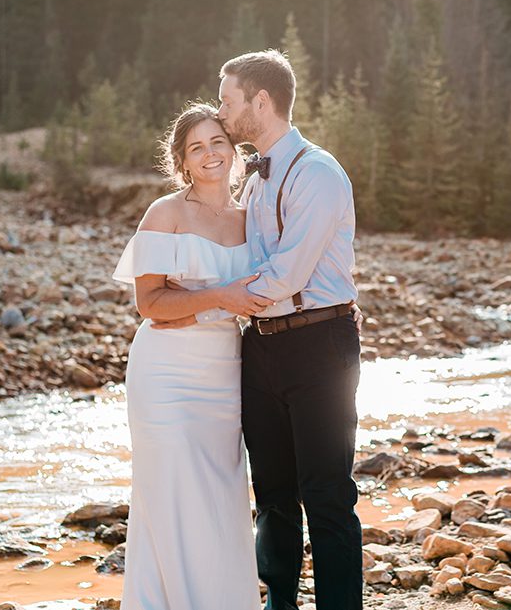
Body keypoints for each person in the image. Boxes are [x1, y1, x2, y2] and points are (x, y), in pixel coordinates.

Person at [149, 50, 363, 610]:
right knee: (271, 494)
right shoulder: (256, 183)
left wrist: (210, 298)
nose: (221, 112)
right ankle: (281, 604)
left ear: (260, 102)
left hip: (318, 345)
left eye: (227, 99)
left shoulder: (316, 172)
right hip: (259, 348)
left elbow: (286, 274)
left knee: (328, 494)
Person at [111, 103, 270, 610]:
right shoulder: (166, 213)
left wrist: (342, 303)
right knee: (174, 490)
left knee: (221, 494)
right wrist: (221, 296)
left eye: (217, 142)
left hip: (225, 371)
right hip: (166, 374)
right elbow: (151, 304)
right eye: (196, 147)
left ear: (234, 148)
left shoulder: (253, 217)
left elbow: (280, 281)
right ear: (181, 160)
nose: (209, 154)